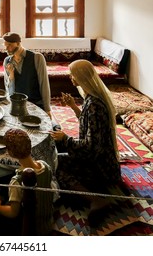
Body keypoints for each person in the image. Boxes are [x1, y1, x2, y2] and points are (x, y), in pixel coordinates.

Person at [49, 59, 121, 226]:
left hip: (100, 167)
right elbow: (89, 124)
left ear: (81, 77)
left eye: (72, 75)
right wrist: (74, 107)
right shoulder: (92, 99)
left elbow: (91, 148)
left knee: (55, 163)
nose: (70, 78)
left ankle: (95, 199)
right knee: (57, 147)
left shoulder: (94, 105)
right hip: (100, 160)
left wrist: (65, 139)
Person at [0, 128, 56, 235]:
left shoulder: (17, 181)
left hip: (30, 228)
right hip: (48, 221)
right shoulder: (46, 166)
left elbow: (13, 212)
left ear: (11, 153)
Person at [2, 32, 52, 119]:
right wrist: (11, 75)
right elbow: (9, 90)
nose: (7, 48)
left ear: (18, 43)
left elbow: (44, 84)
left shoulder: (37, 57)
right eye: (5, 45)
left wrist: (47, 109)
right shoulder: (7, 61)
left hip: (35, 103)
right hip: (17, 105)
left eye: (9, 45)